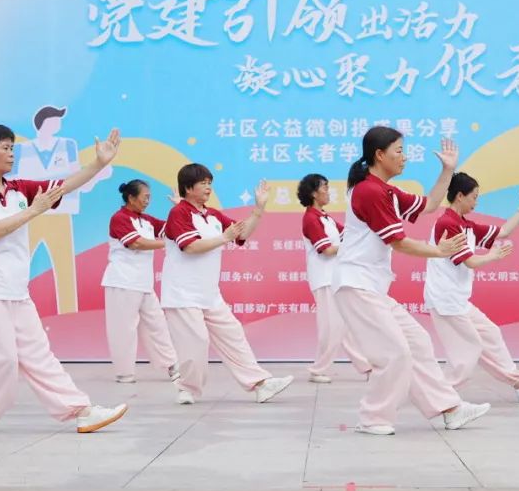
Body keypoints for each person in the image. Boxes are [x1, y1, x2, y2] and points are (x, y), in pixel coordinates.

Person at [0, 123, 128, 436]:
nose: (11, 153)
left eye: (12, 147)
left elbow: (62, 186)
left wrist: (99, 164)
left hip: (16, 290)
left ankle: (81, 411)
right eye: (5, 147)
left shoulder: (18, 188)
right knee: (2, 359)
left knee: (39, 355)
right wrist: (34, 211)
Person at [333, 127, 490, 436]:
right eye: (399, 151)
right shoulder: (369, 191)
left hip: (372, 288)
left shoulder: (388, 191)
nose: (404, 157)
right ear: (380, 155)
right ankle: (373, 417)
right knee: (395, 353)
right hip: (356, 285)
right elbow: (399, 242)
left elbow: (430, 204)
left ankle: (449, 408)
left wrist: (447, 170)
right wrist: (439, 251)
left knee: (417, 342)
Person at [162, 164, 293, 405]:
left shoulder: (213, 215)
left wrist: (259, 208)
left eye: (210, 183)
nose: (208, 188)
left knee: (233, 335)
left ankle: (260, 384)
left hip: (210, 294)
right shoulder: (179, 213)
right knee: (196, 344)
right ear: (188, 188)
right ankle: (187, 387)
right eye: (203, 183)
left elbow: (241, 234)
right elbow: (190, 247)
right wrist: (224, 237)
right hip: (182, 294)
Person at [423, 172, 519, 402]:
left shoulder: (466, 225)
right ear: (460, 196)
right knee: (468, 350)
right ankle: (439, 395)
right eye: (474, 197)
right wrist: (493, 256)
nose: (476, 202)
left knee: (490, 333)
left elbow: (503, 232)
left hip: (458, 300)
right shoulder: (447, 224)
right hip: (445, 300)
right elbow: (470, 261)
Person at [11, 105, 111, 313]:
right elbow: (12, 182)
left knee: (64, 266)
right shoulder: (22, 149)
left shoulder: (67, 145)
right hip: (30, 215)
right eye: (55, 119)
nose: (58, 123)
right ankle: (12, 304)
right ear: (43, 123)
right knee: (19, 264)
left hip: (60, 212)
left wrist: (97, 173)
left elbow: (75, 179)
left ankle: (69, 312)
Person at [101, 179, 180, 384]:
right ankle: (124, 373)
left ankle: (172, 365)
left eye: (149, 197)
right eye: (145, 197)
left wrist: (180, 208)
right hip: (122, 282)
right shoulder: (119, 218)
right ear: (131, 198)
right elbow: (136, 243)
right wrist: (165, 244)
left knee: (158, 325)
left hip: (144, 284)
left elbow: (172, 230)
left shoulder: (147, 221)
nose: (148, 201)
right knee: (124, 330)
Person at [297, 173, 371, 383]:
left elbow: (349, 234)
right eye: (325, 188)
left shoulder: (325, 218)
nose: (328, 192)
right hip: (324, 279)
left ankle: (366, 367)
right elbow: (327, 250)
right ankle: (318, 370)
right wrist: (349, 248)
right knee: (332, 327)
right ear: (313, 193)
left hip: (334, 278)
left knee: (345, 325)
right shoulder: (311, 219)